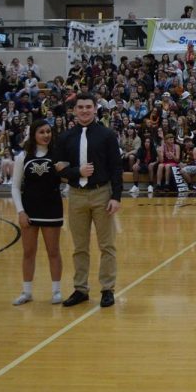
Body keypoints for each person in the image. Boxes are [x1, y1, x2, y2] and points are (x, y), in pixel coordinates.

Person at [54, 93, 122, 308]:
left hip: (102, 193)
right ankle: (80, 289)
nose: (84, 110)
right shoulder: (65, 137)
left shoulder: (107, 135)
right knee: (79, 246)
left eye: (88, 107)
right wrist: (78, 172)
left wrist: (116, 197)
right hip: (76, 195)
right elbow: (59, 169)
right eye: (80, 107)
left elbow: (116, 169)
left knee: (107, 245)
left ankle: (107, 289)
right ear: (74, 110)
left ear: (95, 109)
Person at [11, 119, 64, 306]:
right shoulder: (22, 156)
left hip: (52, 208)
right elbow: (15, 187)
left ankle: (56, 291)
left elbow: (67, 179)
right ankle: (27, 292)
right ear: (34, 134)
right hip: (30, 210)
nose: (46, 135)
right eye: (41, 132)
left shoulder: (58, 154)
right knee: (28, 252)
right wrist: (20, 211)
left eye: (48, 131)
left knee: (53, 251)